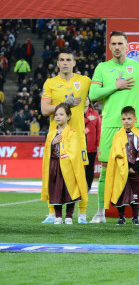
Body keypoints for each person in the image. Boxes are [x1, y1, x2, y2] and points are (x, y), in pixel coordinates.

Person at [89, 31, 139, 223]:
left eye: (120, 43)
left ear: (127, 45)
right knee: (106, 168)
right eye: (113, 43)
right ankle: (100, 212)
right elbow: (93, 94)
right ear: (109, 46)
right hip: (109, 125)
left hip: (133, 128)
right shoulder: (102, 67)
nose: (117, 47)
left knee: (136, 168)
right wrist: (116, 85)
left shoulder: (138, 67)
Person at [40, 50, 91, 224]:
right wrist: (64, 104)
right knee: (53, 174)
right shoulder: (50, 83)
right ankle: (52, 213)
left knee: (80, 174)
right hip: (56, 137)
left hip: (78, 138)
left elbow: (99, 94)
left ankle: (82, 213)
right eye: (61, 60)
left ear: (74, 63)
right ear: (57, 63)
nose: (65, 63)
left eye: (68, 60)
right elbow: (44, 110)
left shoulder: (84, 81)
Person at [103, 106, 139, 225]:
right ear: (121, 120)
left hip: (135, 170)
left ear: (135, 119)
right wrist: (122, 167)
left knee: (135, 193)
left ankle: (135, 218)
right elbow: (115, 153)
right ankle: (121, 217)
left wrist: (134, 167)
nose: (127, 121)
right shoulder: (117, 136)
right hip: (121, 170)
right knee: (120, 192)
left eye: (129, 118)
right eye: (124, 119)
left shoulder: (138, 136)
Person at [40, 103, 88, 225]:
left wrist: (65, 153)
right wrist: (52, 143)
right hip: (55, 166)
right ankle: (57, 216)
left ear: (68, 116)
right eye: (56, 115)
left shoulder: (72, 133)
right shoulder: (51, 134)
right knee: (55, 190)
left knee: (70, 190)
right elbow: (46, 151)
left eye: (61, 114)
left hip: (68, 167)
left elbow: (75, 151)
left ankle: (69, 216)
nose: (58, 117)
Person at [84, 97, 101, 194]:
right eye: (83, 99)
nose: (85, 101)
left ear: (89, 101)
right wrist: (87, 120)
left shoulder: (95, 114)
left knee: (90, 168)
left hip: (91, 146)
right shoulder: (76, 113)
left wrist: (98, 145)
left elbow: (99, 130)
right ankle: (80, 186)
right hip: (79, 146)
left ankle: (88, 187)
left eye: (86, 99)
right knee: (79, 168)